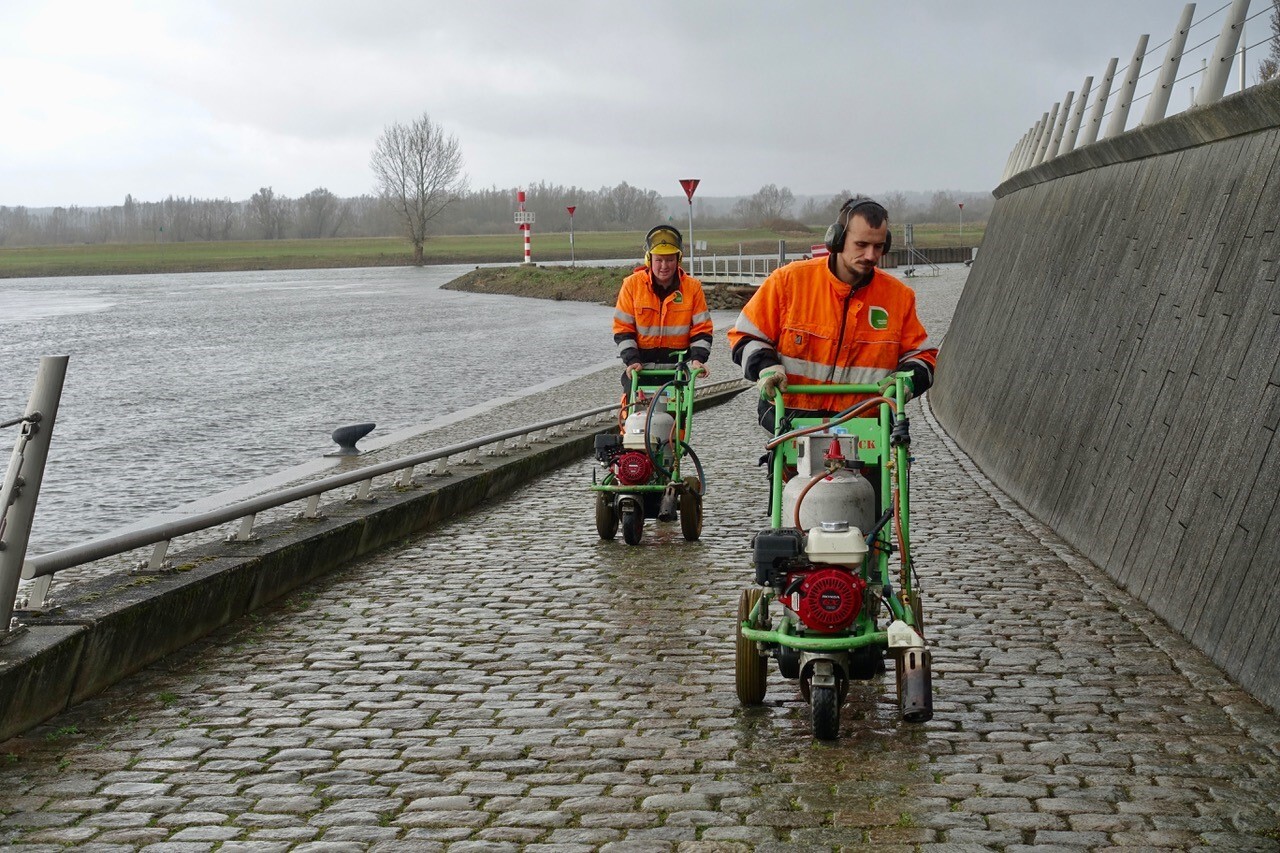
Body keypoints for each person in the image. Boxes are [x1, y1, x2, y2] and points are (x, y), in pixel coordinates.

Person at [728, 198, 937, 432]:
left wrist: (907, 378)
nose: (870, 255)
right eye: (861, 244)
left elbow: (924, 357)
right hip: (789, 420)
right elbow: (745, 336)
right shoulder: (788, 282)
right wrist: (766, 367)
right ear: (836, 240)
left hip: (867, 426)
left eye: (878, 247)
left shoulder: (898, 297)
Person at [613, 225, 713, 400]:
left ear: (678, 259)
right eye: (659, 260)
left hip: (676, 372)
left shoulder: (692, 288)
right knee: (632, 420)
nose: (664, 266)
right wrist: (632, 361)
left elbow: (702, 330)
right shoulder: (632, 286)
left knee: (678, 423)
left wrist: (698, 360)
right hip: (639, 369)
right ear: (649, 259)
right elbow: (623, 330)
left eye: (669, 260)